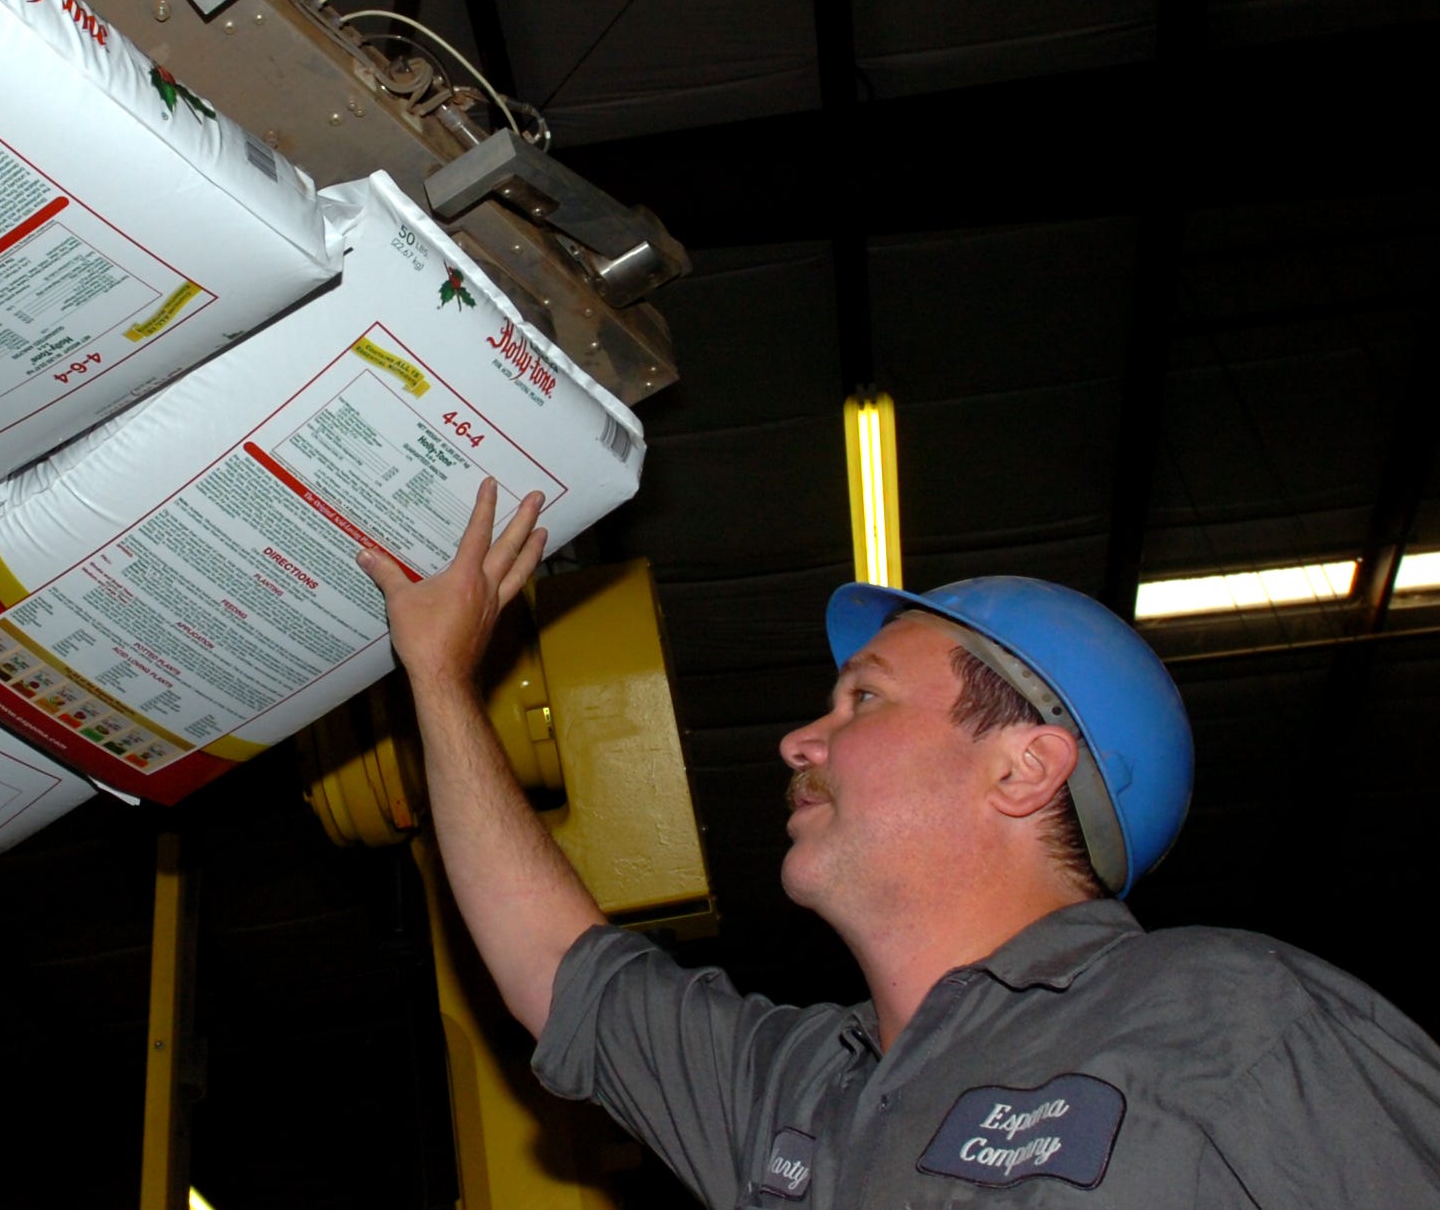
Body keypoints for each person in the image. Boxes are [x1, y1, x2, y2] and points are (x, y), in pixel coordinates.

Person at [358, 480, 1440, 1207]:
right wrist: (442, 681)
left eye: (859, 700)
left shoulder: (1226, 1013)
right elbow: (554, 968)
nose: (796, 739)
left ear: (1023, 767)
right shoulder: (795, 1095)